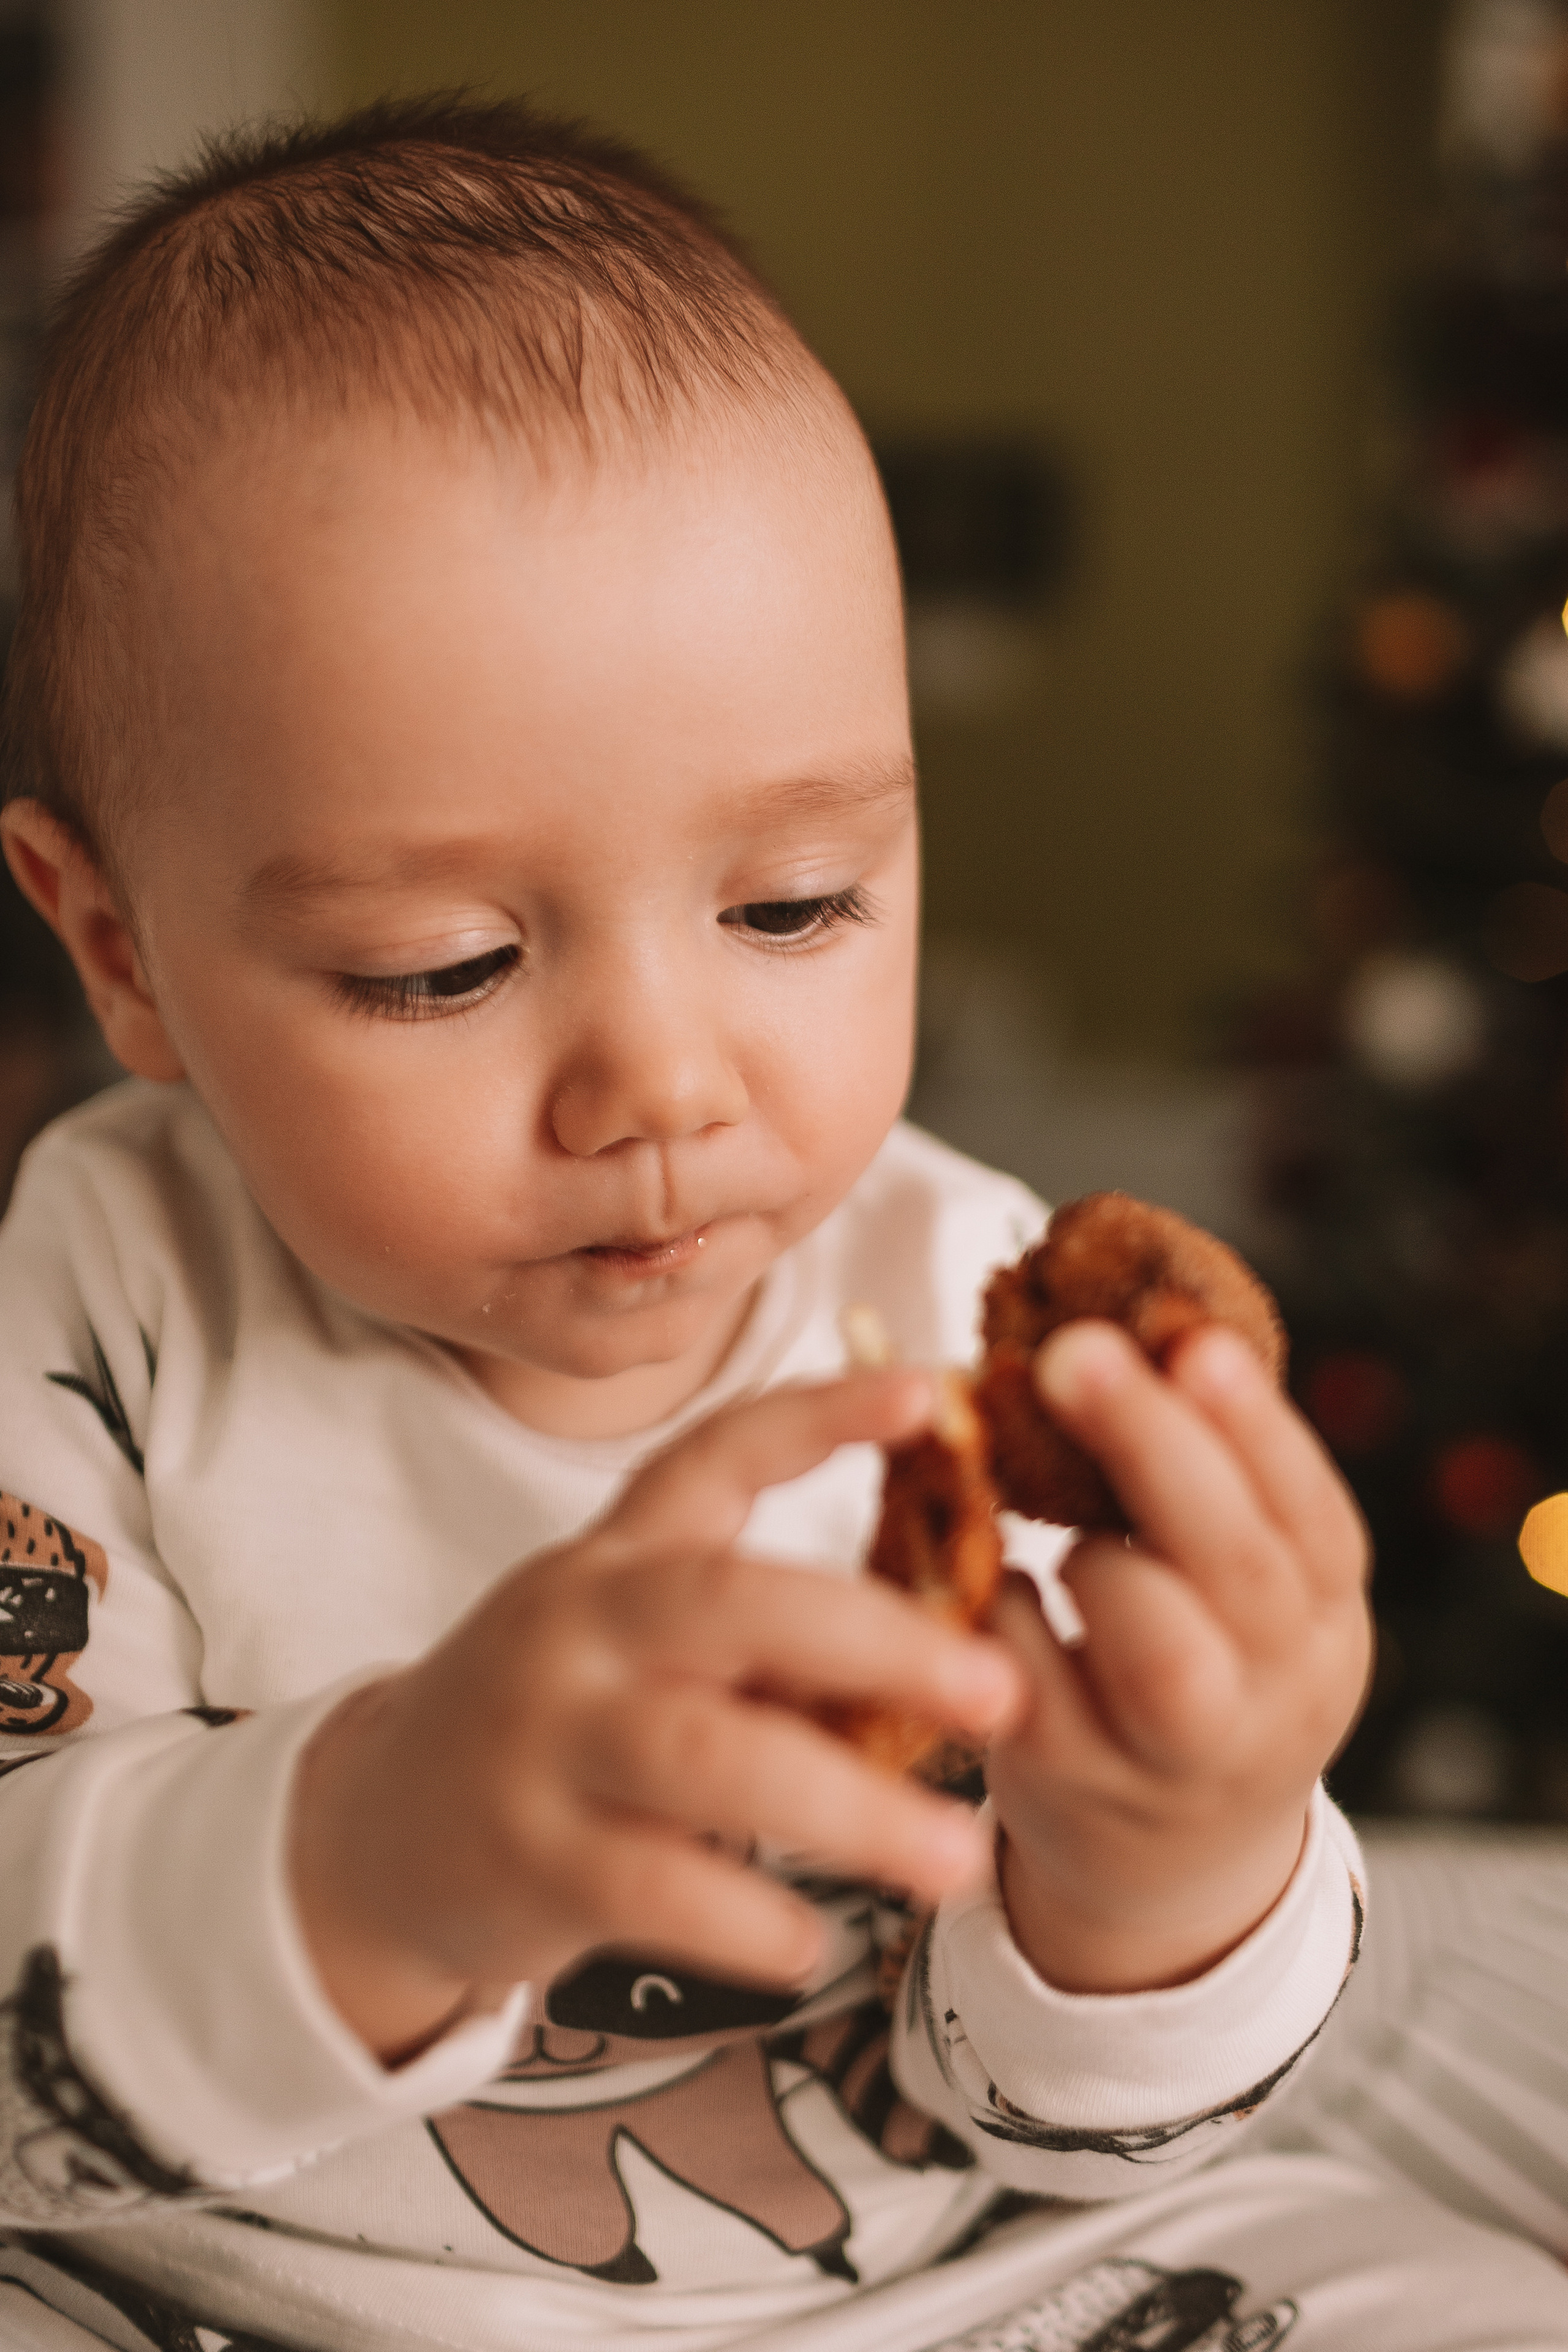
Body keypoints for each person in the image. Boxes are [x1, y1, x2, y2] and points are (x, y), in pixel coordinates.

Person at [0, 97, 1562, 2352]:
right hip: (239, 2294)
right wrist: (373, 1849)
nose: (663, 1085)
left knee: (1457, 2297)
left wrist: (1172, 1870)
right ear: (119, 952)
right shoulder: (101, 1314)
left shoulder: (961, 1318)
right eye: (444, 964)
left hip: (935, 2290)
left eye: (797, 905)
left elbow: (1080, 2127)